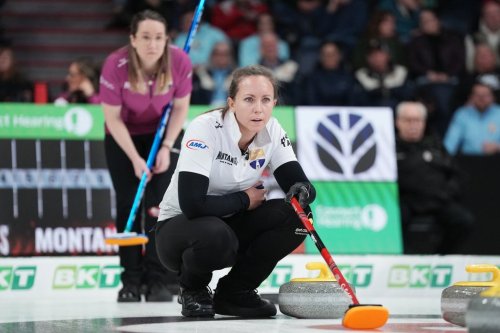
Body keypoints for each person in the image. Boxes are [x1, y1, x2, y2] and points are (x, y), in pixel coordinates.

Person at [155, 65, 316, 318]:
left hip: (229, 221)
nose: (258, 109)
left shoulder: (272, 130)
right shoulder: (205, 128)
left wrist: (303, 191)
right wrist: (244, 199)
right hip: (179, 230)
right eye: (249, 100)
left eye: (265, 100)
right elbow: (193, 205)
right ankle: (192, 289)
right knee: (216, 234)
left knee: (298, 216)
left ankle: (235, 292)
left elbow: (298, 182)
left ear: (274, 103)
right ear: (232, 102)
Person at [99, 9, 193, 303]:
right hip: (123, 137)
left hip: (161, 135)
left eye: (159, 38)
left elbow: (180, 108)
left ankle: (158, 278)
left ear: (167, 40)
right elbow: (112, 119)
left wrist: (166, 146)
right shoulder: (115, 64)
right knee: (129, 206)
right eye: (146, 37)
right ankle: (130, 279)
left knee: (158, 207)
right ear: (133, 39)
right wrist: (135, 159)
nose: (153, 44)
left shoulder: (180, 61)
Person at [395, 101, 474, 254]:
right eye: (408, 120)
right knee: (393, 220)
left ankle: (441, 256)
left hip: (436, 200)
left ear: (424, 122)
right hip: (404, 201)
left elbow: (455, 173)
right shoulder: (390, 146)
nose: (413, 125)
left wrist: (448, 193)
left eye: (417, 120)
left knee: (464, 220)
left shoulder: (435, 145)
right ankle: (406, 259)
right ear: (398, 122)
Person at [444, 82, 500, 155]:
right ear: (471, 97)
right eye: (478, 95)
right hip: (469, 160)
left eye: (485, 95)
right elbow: (450, 144)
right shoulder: (462, 114)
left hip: (497, 160)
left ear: (492, 97)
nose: (481, 99)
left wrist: (498, 147)